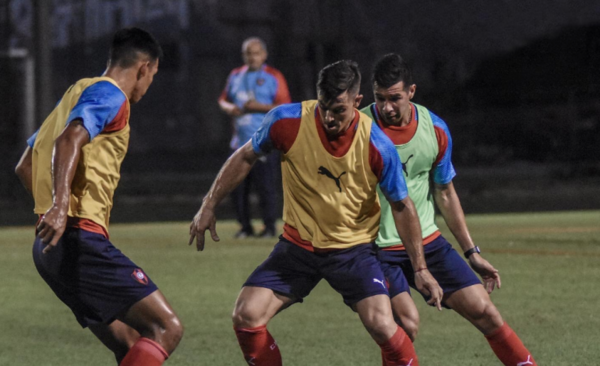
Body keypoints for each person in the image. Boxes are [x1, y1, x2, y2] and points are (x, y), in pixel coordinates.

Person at [190, 60, 443, 366]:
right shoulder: (286, 121)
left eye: (338, 109)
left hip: (353, 252)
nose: (328, 118)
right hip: (298, 247)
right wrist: (209, 204)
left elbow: (402, 206)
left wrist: (420, 268)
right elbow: (245, 156)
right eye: (323, 106)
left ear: (357, 101)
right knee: (246, 315)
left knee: (384, 325)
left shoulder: (377, 145)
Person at [14, 28, 183, 366]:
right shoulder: (111, 96)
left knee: (130, 341)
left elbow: (25, 165)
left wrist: (51, 213)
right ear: (145, 67)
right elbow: (68, 141)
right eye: (152, 76)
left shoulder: (78, 91)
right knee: (166, 328)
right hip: (79, 239)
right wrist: (61, 208)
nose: (148, 85)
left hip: (49, 249)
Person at [362, 53, 537, 366]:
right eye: (379, 98)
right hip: (377, 249)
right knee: (406, 324)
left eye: (395, 98)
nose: (386, 107)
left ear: (411, 92)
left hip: (428, 242)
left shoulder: (435, 129)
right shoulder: (359, 128)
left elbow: (445, 192)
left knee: (486, 313)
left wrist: (472, 252)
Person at [218, 37, 291, 238]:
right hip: (238, 144)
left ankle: (269, 227)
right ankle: (245, 227)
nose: (252, 57)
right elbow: (223, 99)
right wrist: (229, 107)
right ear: (243, 56)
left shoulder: (273, 76)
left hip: (264, 143)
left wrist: (258, 107)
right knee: (236, 188)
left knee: (265, 187)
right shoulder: (235, 75)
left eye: (256, 53)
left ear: (264, 55)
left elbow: (285, 107)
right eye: (248, 53)